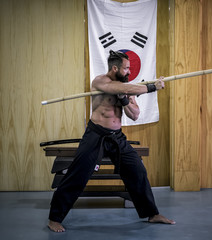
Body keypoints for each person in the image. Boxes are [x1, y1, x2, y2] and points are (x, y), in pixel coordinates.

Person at [48, 50, 175, 232]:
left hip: (117, 137)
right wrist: (153, 87)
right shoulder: (100, 82)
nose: (129, 72)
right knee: (78, 175)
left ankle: (152, 214)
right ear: (115, 68)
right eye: (126, 69)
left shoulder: (127, 88)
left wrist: (124, 101)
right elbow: (120, 89)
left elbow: (135, 115)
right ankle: (54, 218)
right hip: (95, 135)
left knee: (137, 171)